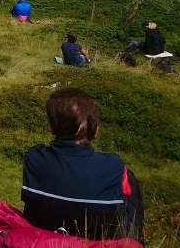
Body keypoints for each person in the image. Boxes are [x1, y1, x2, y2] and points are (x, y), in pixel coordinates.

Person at [21, 87, 143, 242]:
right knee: (128, 180)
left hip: (42, 237)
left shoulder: (34, 158)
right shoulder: (113, 166)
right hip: (95, 239)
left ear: (52, 128)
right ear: (96, 131)